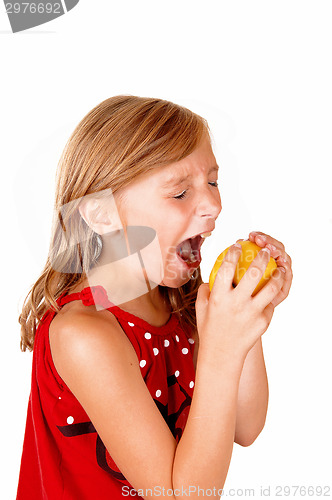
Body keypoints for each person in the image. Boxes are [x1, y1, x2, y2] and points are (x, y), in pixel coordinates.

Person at [16, 95, 293, 499]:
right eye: (180, 193)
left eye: (213, 182)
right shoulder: (84, 334)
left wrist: (245, 314)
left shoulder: (182, 301)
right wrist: (222, 347)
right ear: (101, 214)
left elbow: (245, 428)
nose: (214, 205)